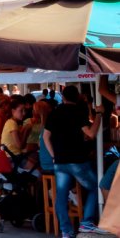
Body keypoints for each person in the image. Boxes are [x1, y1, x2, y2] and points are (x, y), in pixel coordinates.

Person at [43, 85, 104, 238]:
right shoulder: (78, 112)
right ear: (77, 98)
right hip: (77, 160)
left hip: (60, 161)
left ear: (62, 97)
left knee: (61, 196)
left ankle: (66, 231)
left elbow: (45, 137)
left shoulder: (54, 113)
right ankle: (87, 222)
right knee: (96, 187)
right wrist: (99, 115)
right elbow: (90, 134)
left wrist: (54, 156)